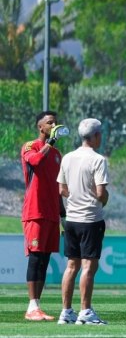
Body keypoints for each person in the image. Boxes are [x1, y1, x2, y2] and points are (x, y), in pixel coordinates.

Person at [55, 118, 110, 325]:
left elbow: (61, 189)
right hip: (90, 219)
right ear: (95, 136)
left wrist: (76, 196)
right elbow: (101, 193)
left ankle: (66, 312)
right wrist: (103, 199)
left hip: (72, 219)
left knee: (71, 266)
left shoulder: (68, 158)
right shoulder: (98, 159)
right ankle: (85, 311)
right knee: (88, 267)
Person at [21, 110, 64, 321]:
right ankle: (31, 307)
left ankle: (37, 306)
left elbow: (58, 185)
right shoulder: (31, 146)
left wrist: (63, 212)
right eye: (50, 123)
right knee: (35, 258)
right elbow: (36, 162)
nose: (54, 125)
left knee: (45, 259)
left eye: (55, 122)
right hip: (35, 211)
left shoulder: (57, 154)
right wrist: (50, 143)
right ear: (41, 127)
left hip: (52, 213)